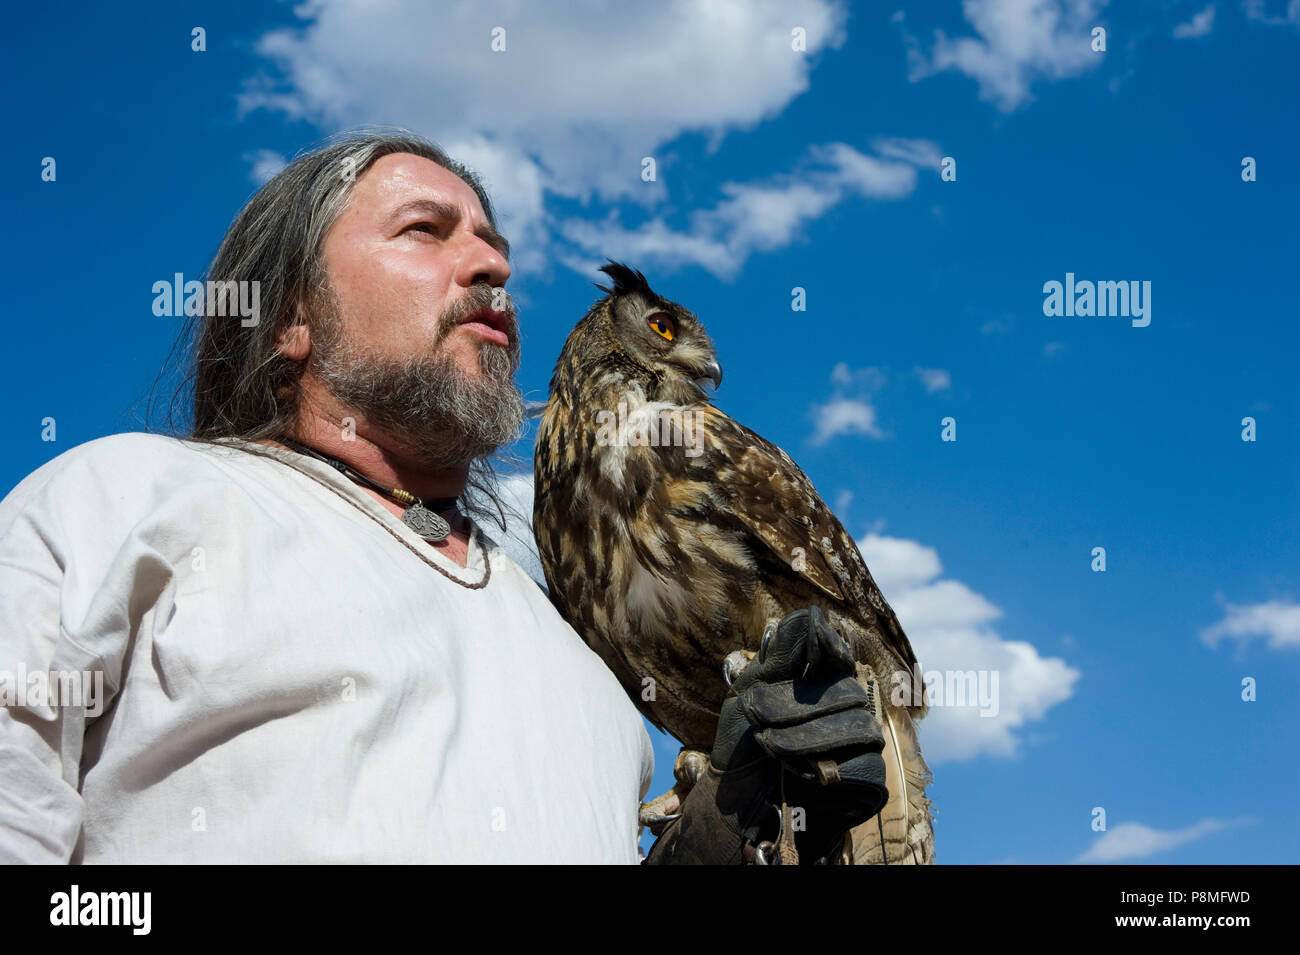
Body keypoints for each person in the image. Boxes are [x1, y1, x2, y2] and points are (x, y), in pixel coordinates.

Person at [0, 129, 886, 864]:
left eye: (495, 248)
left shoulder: (576, 644)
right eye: (426, 230)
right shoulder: (124, 501)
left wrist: (716, 842)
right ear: (290, 318)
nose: (489, 266)